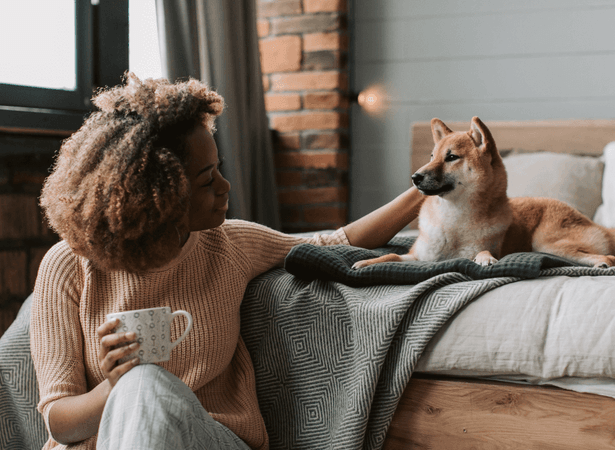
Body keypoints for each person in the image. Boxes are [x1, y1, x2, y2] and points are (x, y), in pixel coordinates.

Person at [30, 73, 424, 450]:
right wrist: (114, 386)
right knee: (141, 385)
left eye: (219, 169)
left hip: (212, 440)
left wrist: (427, 190)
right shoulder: (68, 266)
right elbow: (61, 423)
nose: (225, 186)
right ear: (156, 196)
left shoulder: (229, 245)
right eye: (206, 180)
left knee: (145, 384)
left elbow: (334, 242)